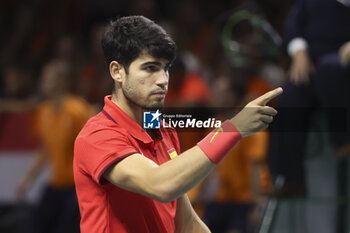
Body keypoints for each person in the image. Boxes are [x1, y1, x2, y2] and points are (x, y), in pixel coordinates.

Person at [73, 15, 282, 233]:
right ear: (117, 71)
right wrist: (232, 129)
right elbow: (159, 184)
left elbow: (188, 224)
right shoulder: (98, 135)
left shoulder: (163, 130)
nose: (163, 79)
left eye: (166, 68)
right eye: (150, 68)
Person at [267, 0, 350, 197]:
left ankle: (342, 139)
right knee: (288, 96)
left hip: (343, 66)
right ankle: (292, 178)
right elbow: (294, 25)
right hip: (313, 65)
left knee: (329, 68)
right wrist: (299, 52)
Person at [16, 60, 92, 233]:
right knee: (35, 224)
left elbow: (92, 147)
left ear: (62, 82)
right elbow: (45, 149)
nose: (43, 81)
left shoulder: (78, 110)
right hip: (56, 183)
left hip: (77, 186)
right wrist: (28, 178)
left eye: (48, 77)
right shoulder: (43, 111)